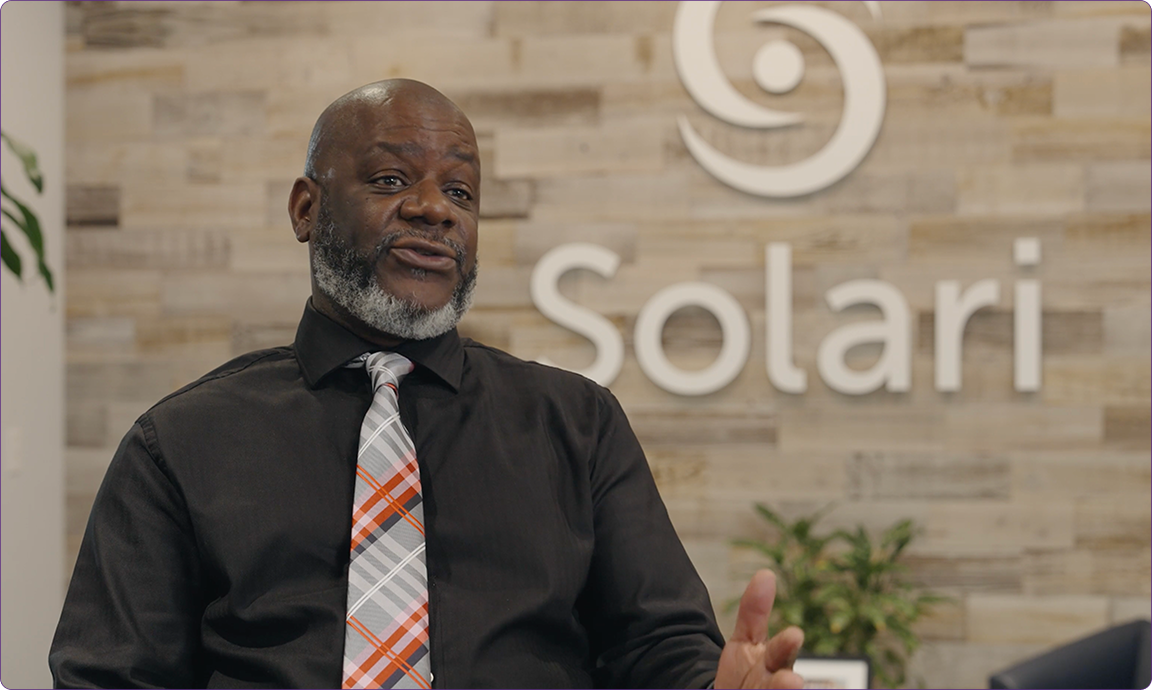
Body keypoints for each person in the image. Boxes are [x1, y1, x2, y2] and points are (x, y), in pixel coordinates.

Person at [50, 79, 804, 689]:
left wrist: (712, 688)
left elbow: (657, 647)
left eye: (462, 193)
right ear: (306, 209)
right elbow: (110, 675)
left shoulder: (577, 423)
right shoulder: (179, 443)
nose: (433, 209)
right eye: (390, 178)